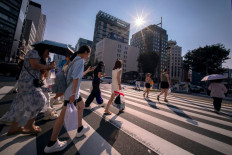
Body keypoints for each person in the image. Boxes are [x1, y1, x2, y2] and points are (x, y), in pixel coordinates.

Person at [44, 45, 94, 153]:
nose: (88, 56)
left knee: (81, 105)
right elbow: (75, 78)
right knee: (62, 116)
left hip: (72, 91)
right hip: (72, 92)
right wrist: (73, 94)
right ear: (85, 52)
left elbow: (76, 76)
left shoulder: (74, 60)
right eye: (88, 54)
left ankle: (80, 129)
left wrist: (87, 72)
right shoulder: (80, 61)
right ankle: (52, 143)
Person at [0, 46, 55, 135]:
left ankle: (13, 128)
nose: (48, 54)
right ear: (43, 49)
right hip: (27, 83)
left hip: (29, 83)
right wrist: (48, 66)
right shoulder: (33, 52)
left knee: (20, 105)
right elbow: (34, 65)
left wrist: (47, 69)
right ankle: (29, 126)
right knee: (41, 101)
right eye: (48, 52)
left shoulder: (40, 59)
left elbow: (40, 76)